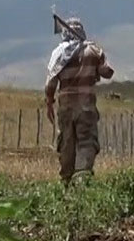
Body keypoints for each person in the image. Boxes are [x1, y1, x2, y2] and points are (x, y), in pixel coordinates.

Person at [44, 15, 115, 184]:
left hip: (66, 108)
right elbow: (108, 72)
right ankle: (82, 179)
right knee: (86, 142)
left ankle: (67, 181)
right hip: (86, 108)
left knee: (67, 144)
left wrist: (49, 103)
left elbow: (50, 83)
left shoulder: (59, 54)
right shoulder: (92, 51)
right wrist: (99, 57)